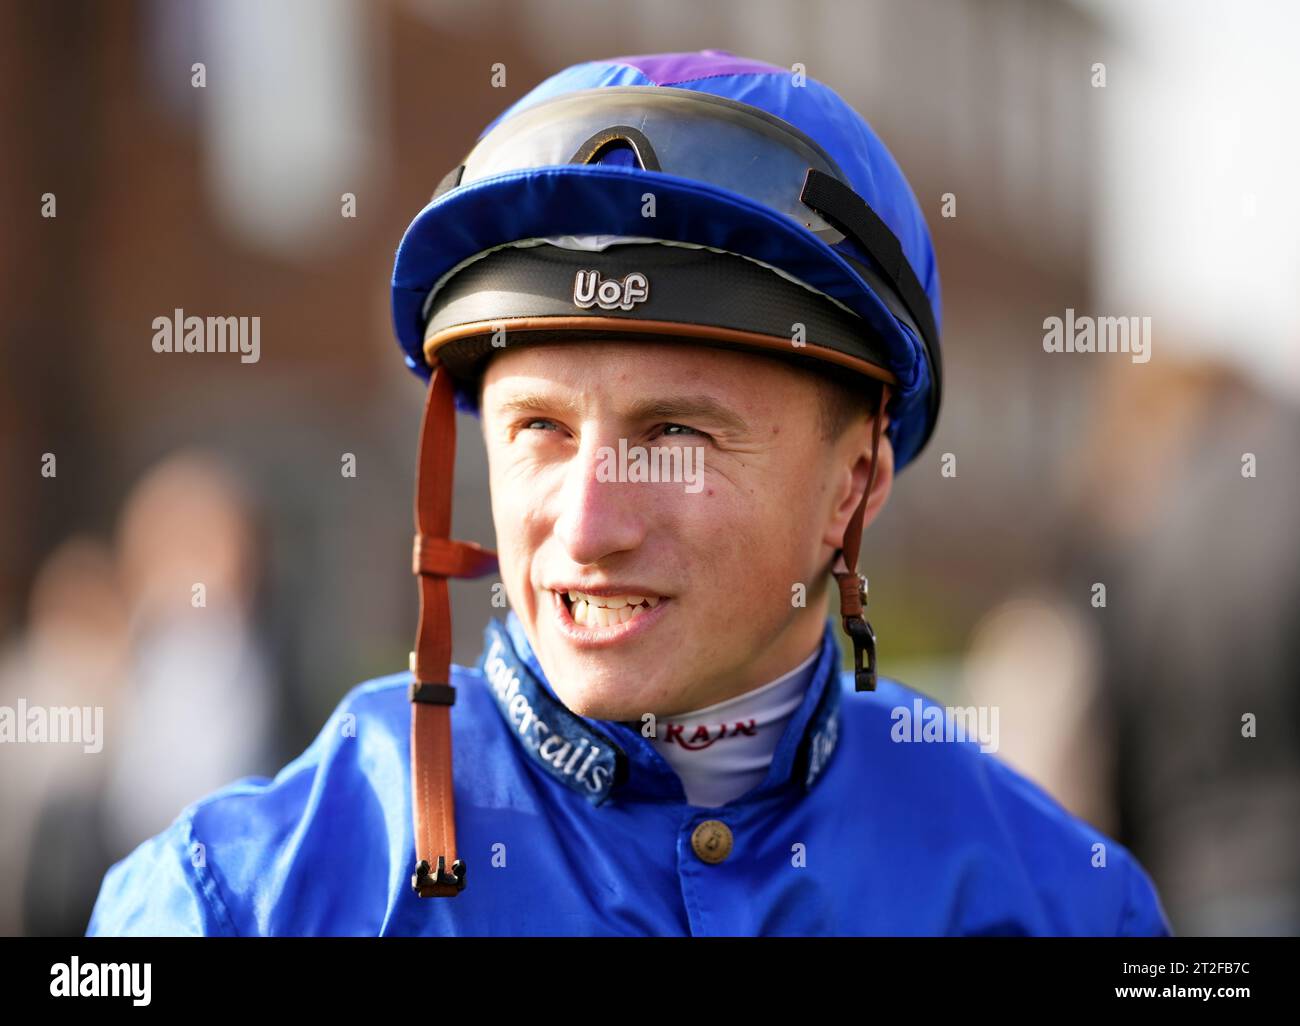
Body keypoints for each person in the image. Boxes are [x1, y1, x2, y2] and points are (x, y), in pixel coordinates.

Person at [85, 50, 1171, 936]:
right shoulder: (235, 902)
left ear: (852, 488)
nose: (588, 526)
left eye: (677, 435)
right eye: (539, 431)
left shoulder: (1066, 906)